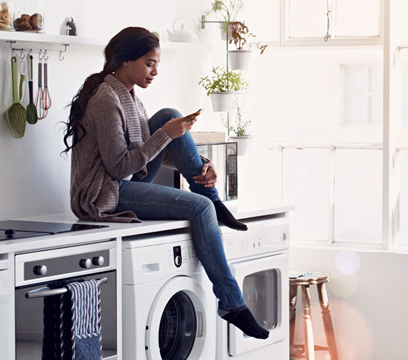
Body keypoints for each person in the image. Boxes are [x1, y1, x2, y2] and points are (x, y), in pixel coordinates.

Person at [62, 26, 268, 339]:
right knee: (200, 209)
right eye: (149, 63)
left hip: (122, 179)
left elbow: (150, 147)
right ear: (126, 61)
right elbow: (119, 167)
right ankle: (231, 303)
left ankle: (208, 190)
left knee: (170, 115)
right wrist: (166, 134)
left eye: (157, 63)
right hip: (102, 194)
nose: (156, 71)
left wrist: (204, 165)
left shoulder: (127, 94)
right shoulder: (106, 100)